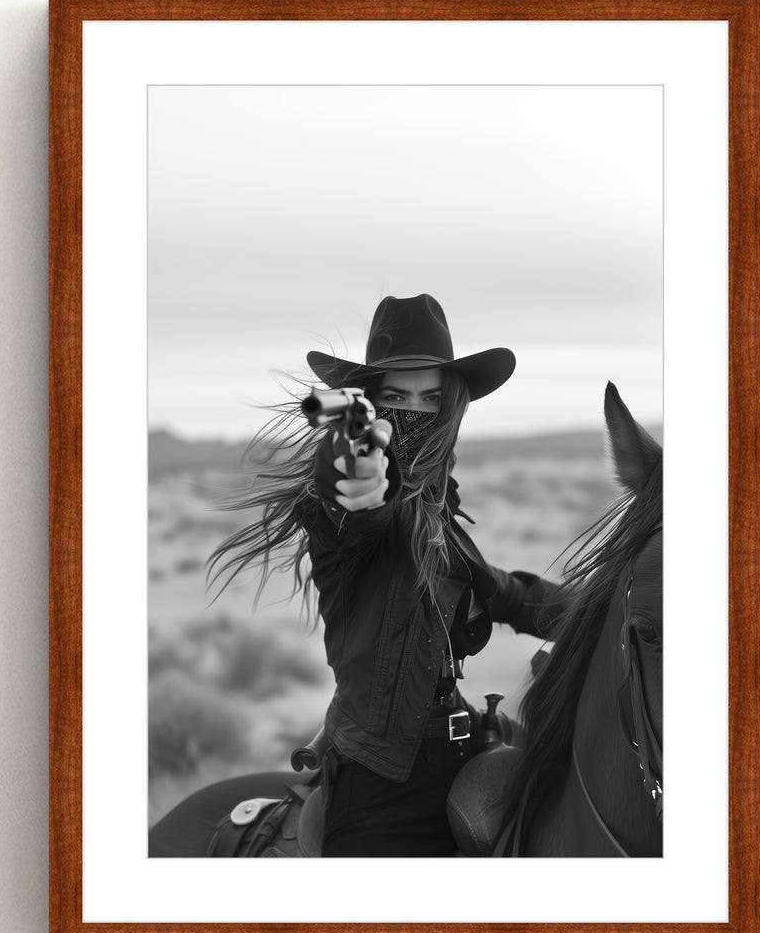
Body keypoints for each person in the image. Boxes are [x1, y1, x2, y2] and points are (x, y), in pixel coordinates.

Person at [207, 294, 561, 856]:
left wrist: (604, 607)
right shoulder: (349, 512)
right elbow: (359, 499)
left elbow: (503, 591)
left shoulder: (441, 518)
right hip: (382, 789)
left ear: (452, 407)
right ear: (371, 404)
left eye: (430, 398)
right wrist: (357, 472)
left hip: (465, 751)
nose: (414, 412)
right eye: (395, 396)